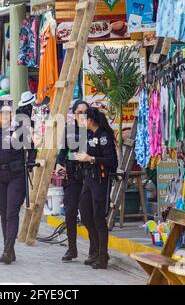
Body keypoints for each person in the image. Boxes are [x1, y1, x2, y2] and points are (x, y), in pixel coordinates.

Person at [0, 95, 37, 265]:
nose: (5, 115)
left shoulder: (20, 128)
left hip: (16, 175)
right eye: (2, 112)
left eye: (8, 112)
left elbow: (32, 148)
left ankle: (6, 251)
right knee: (3, 212)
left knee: (12, 213)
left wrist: (30, 164)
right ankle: (10, 250)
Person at [75, 107, 118, 269]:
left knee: (99, 218)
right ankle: (96, 250)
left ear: (91, 120)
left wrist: (91, 158)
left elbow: (111, 161)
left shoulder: (104, 137)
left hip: (100, 180)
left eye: (85, 118)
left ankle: (102, 256)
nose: (83, 121)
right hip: (88, 180)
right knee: (86, 215)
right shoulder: (90, 135)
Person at [55, 100, 89, 262]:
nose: (82, 115)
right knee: (70, 212)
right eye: (79, 112)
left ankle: (94, 250)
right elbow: (62, 152)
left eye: (85, 112)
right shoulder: (69, 130)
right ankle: (72, 248)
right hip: (72, 176)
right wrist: (59, 165)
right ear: (74, 114)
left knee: (90, 214)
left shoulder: (93, 129)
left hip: (89, 175)